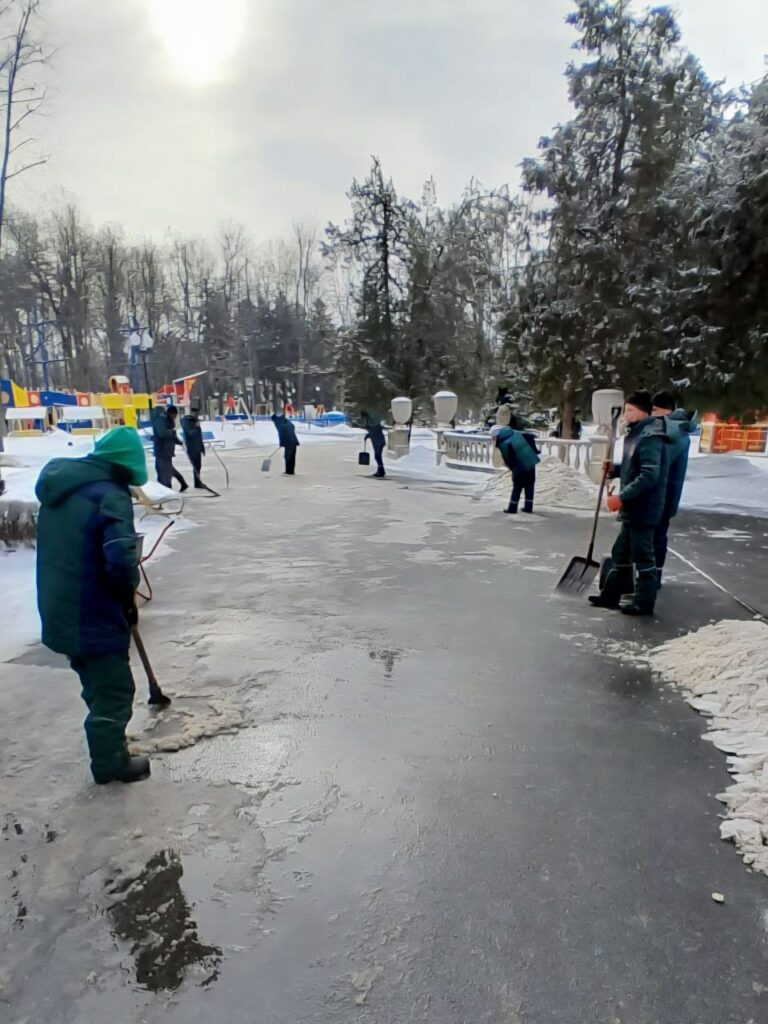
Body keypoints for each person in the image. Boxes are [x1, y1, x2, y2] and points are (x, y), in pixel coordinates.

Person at [35, 427, 151, 784]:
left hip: (58, 604)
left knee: (94, 680)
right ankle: (110, 764)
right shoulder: (109, 496)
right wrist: (126, 597)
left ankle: (108, 743)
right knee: (116, 689)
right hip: (92, 607)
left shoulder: (62, 488)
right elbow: (119, 559)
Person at [589, 391, 670, 617]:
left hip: (644, 508)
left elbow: (649, 474)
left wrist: (622, 497)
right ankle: (611, 596)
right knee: (621, 552)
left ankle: (644, 603)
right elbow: (634, 466)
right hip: (633, 507)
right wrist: (614, 469)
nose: (626, 414)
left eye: (631, 410)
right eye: (625, 410)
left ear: (644, 412)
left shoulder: (650, 437)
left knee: (643, 555)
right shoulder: (637, 434)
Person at [652, 390, 697, 586]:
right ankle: (650, 576)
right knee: (655, 536)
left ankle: (653, 577)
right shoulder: (670, 429)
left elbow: (656, 463)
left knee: (656, 537)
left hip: (662, 495)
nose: (650, 413)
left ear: (667, 410)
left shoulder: (674, 432)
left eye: (654, 409)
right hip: (661, 494)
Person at [492, 425, 541, 513]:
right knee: (529, 486)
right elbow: (531, 439)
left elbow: (507, 458)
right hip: (531, 463)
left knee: (517, 488)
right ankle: (528, 508)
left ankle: (512, 508)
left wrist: (510, 466)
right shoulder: (517, 433)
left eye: (493, 437)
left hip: (519, 467)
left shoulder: (504, 443)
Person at [152, 404, 188, 491]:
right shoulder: (162, 418)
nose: (175, 418)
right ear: (172, 413)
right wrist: (172, 433)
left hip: (164, 450)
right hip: (162, 449)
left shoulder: (165, 419)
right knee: (166, 470)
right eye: (175, 416)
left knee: (164, 470)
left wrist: (179, 442)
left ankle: (167, 488)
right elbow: (162, 433)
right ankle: (179, 484)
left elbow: (168, 434)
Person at [181, 406, 207, 489]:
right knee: (195, 466)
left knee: (198, 466)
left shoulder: (195, 422)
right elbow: (190, 433)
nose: (196, 415)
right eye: (195, 413)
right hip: (192, 448)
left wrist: (202, 447)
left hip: (197, 448)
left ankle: (198, 482)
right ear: (191, 413)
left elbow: (199, 437)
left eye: (197, 414)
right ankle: (197, 483)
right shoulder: (186, 421)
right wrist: (197, 428)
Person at [361, 410, 387, 478]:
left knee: (377, 456)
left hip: (379, 441)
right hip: (377, 441)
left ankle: (381, 471)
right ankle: (381, 471)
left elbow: (373, 431)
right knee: (377, 456)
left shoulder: (372, 422)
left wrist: (368, 435)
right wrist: (368, 435)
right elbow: (372, 431)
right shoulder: (371, 422)